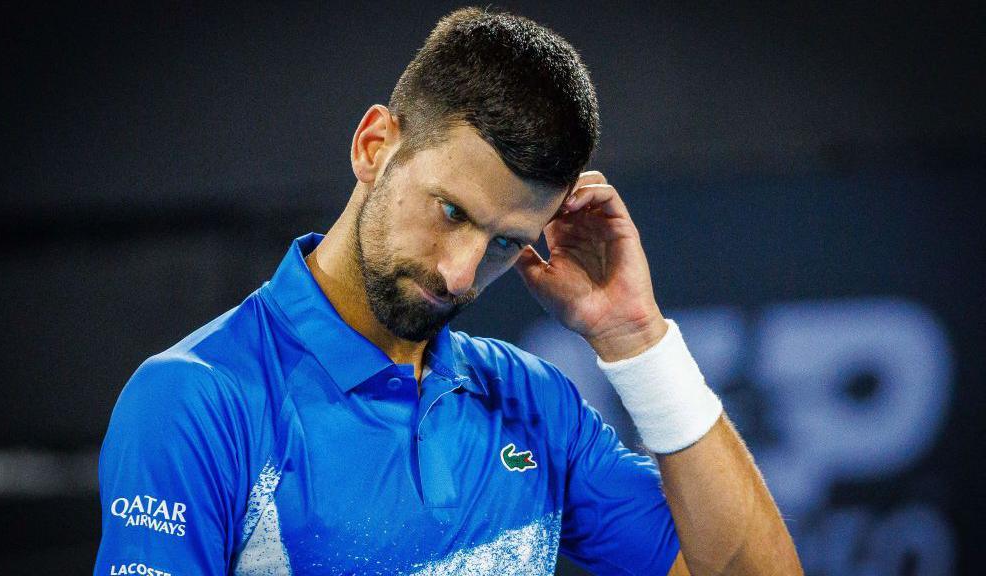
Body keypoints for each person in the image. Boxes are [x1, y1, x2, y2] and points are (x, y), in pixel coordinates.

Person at [94, 7, 801, 575]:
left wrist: (635, 338)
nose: (461, 275)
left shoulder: (533, 403)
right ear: (375, 146)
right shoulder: (196, 401)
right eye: (452, 212)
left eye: (504, 243)